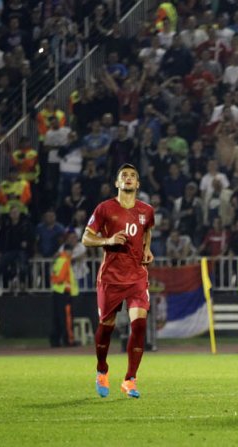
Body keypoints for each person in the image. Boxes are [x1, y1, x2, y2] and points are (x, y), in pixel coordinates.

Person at [82, 163, 154, 399]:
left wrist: (147, 249)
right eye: (124, 175)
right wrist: (108, 240)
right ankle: (102, 369)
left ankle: (130, 379)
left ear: (138, 183)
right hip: (111, 277)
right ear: (117, 183)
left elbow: (147, 230)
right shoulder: (104, 209)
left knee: (139, 323)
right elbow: (86, 238)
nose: (129, 178)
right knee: (106, 327)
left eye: (133, 175)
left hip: (136, 276)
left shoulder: (147, 210)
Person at [49, 242, 77, 347]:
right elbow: (61, 278)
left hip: (56, 292)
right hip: (64, 293)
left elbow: (53, 276)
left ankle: (55, 341)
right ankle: (68, 340)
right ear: (68, 251)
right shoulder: (65, 261)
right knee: (66, 318)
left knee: (56, 317)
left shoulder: (58, 261)